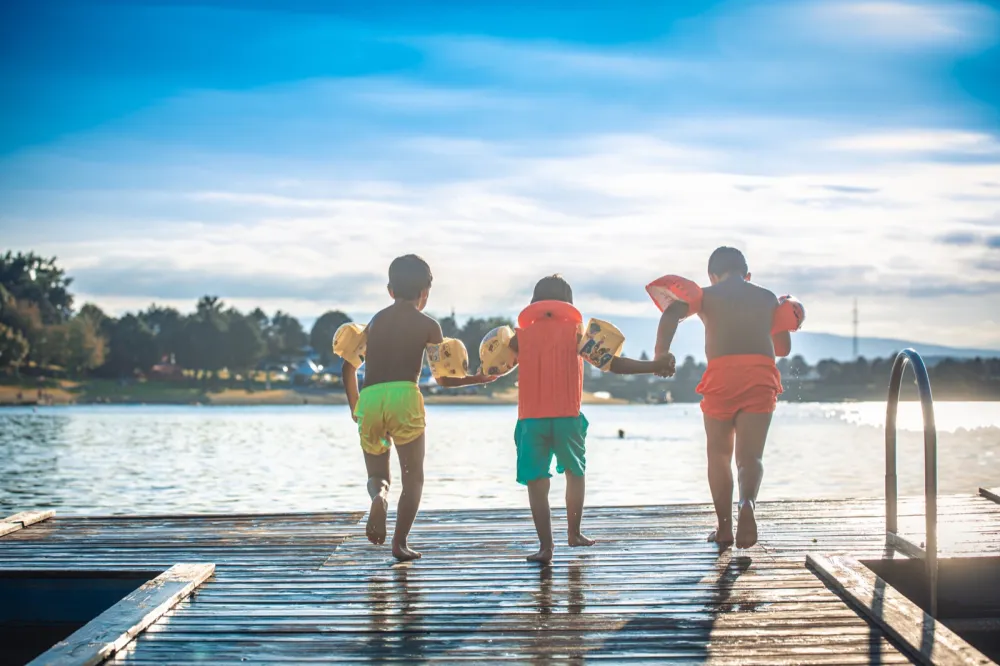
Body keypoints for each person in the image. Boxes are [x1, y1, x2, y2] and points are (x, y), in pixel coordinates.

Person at [507, 275, 675, 564]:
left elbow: (494, 364)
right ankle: (574, 533)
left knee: (536, 482)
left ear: (535, 303)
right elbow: (613, 364)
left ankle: (546, 547)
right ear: (568, 304)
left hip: (531, 420)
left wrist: (465, 378)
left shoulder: (518, 339)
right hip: (567, 418)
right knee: (575, 472)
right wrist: (654, 366)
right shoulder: (576, 335)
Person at [342, 254, 496, 561]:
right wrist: (479, 378)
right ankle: (399, 544)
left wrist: (355, 406)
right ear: (425, 293)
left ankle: (380, 497)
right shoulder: (429, 325)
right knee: (413, 476)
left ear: (390, 289)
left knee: (379, 475)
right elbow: (444, 379)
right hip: (404, 397)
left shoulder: (373, 322)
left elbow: (347, 368)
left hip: (370, 397)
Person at [654, 247, 791, 550]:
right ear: (747, 274)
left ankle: (724, 528)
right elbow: (782, 348)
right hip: (759, 375)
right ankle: (747, 504)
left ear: (712, 276)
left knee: (718, 455)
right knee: (750, 457)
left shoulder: (705, 295)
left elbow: (671, 315)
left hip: (721, 377)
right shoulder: (767, 297)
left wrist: (661, 354)